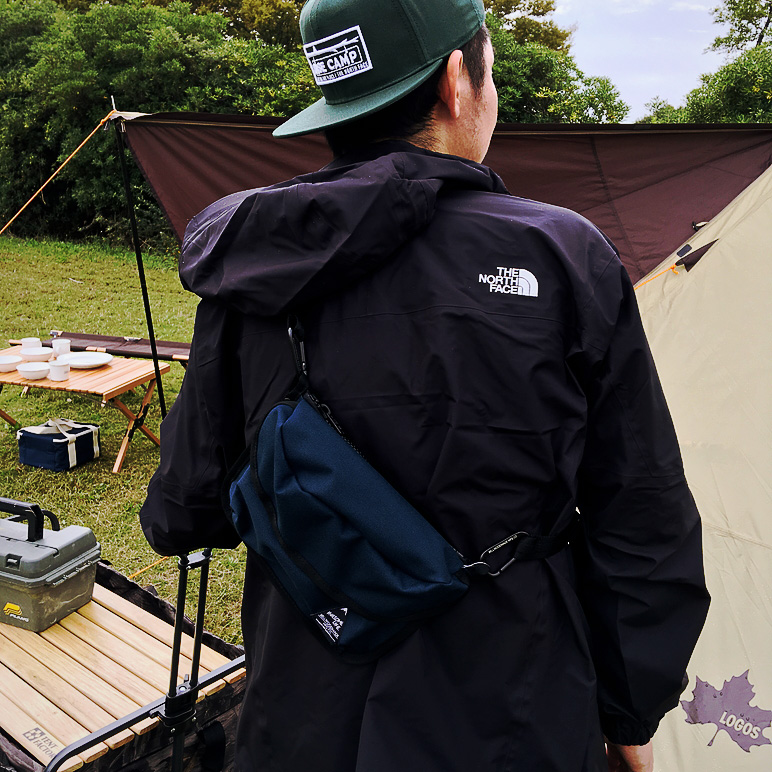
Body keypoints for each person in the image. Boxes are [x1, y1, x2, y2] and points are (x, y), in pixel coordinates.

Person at [139, 0, 710, 769]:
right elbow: (641, 516)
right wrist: (630, 714)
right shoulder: (563, 256)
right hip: (515, 710)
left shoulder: (252, 263)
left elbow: (181, 514)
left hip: (302, 708)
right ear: (455, 80)